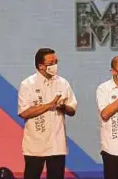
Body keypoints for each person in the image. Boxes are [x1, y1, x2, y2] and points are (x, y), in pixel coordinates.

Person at [18, 48, 77, 179]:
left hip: (57, 144)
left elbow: (72, 110)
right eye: (51, 63)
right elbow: (24, 112)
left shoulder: (63, 83)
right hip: (35, 144)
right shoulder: (27, 84)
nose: (55, 66)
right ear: (41, 66)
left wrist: (63, 107)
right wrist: (49, 105)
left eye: (56, 62)